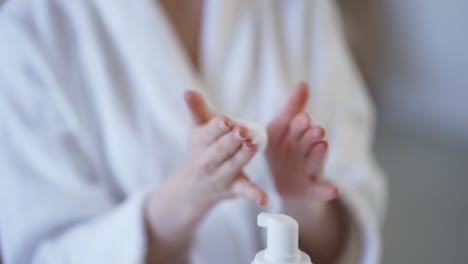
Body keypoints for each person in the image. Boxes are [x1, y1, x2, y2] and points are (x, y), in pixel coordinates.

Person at [0, 0, 387, 263]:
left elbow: (349, 228)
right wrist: (182, 198)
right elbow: (42, 253)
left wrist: (303, 201)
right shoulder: (30, 26)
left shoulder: (300, 8)